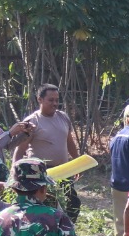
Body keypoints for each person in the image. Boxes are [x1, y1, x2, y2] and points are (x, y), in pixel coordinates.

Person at [16, 84, 82, 219]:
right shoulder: (32, 122)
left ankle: (67, 231)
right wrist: (15, 172)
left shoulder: (63, 117)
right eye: (51, 100)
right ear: (40, 100)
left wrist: (78, 164)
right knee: (47, 207)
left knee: (73, 203)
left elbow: (69, 142)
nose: (55, 103)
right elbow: (20, 149)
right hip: (42, 173)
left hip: (64, 171)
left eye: (57, 100)